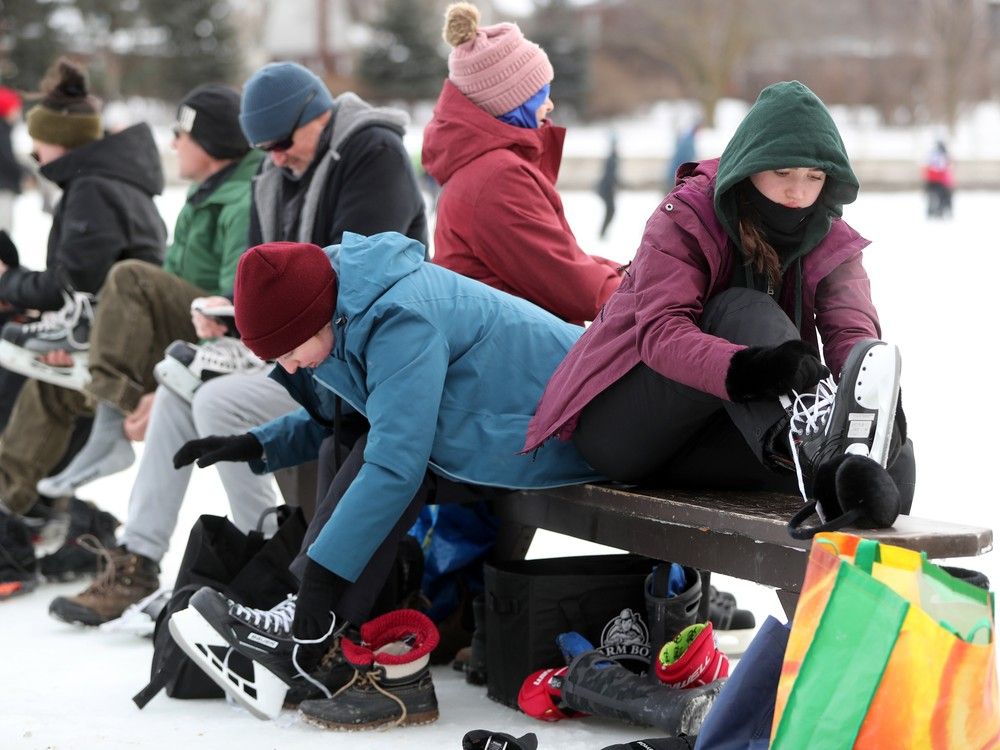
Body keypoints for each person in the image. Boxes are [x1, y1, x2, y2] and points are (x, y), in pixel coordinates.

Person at [168, 235, 604, 725]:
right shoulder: (341, 303)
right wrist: (257, 443)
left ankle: (315, 639)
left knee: (385, 467)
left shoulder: (399, 317)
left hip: (573, 431)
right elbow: (355, 417)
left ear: (313, 315)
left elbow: (397, 460)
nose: (289, 367)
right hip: (503, 427)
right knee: (346, 447)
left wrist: (320, 578)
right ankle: (323, 645)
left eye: (289, 351)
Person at [524, 81, 915, 529]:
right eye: (784, 173)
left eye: (814, 177)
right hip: (626, 428)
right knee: (741, 309)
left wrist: (873, 401)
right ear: (751, 167)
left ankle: (827, 456)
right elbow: (660, 332)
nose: (798, 192)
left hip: (719, 436)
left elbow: (853, 335)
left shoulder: (831, 240)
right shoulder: (687, 217)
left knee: (896, 472)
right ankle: (816, 450)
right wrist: (752, 370)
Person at [0, 58, 166, 598]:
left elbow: (76, 286)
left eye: (39, 142)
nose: (33, 152)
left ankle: (18, 514)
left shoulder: (93, 187)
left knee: (23, 370)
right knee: (34, 378)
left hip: (118, 346)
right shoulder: (111, 180)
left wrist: (11, 284)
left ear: (59, 143)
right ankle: (30, 510)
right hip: (119, 334)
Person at [422, 1, 621, 325]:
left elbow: (559, 260)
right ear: (511, 102)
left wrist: (633, 274)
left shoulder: (485, 169)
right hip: (517, 366)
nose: (550, 104)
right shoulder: (496, 179)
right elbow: (571, 283)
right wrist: (653, 297)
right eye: (541, 94)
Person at [0, 85, 24, 233]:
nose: (18, 112)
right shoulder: (2, 132)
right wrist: (24, 172)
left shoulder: (6, 131)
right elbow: (7, 159)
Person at [664, 119, 700, 193]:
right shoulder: (688, 141)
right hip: (675, 174)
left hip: (674, 173)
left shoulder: (687, 138)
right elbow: (685, 158)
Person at [596, 132, 619, 239]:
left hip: (607, 188)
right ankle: (602, 233)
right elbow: (610, 175)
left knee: (610, 210)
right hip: (607, 188)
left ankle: (603, 233)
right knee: (611, 210)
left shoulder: (613, 157)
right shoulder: (612, 158)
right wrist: (613, 187)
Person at [923, 139, 954, 218]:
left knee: (933, 197)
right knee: (941, 197)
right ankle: (938, 211)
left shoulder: (931, 154)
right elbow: (943, 168)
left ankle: (933, 212)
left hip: (933, 180)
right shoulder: (942, 156)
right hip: (940, 180)